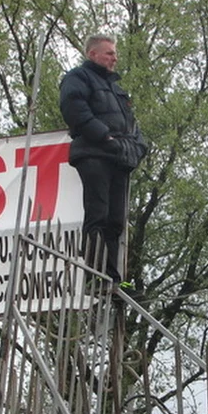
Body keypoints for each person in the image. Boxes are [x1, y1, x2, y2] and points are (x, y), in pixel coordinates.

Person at [59, 34, 140, 286]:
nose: (115, 58)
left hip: (118, 156)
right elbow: (74, 109)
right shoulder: (78, 77)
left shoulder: (117, 89)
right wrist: (103, 136)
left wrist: (139, 146)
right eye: (109, 53)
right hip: (94, 153)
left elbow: (131, 124)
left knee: (116, 220)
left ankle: (112, 276)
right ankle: (95, 275)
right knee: (98, 213)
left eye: (115, 53)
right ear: (93, 54)